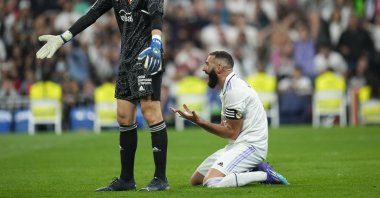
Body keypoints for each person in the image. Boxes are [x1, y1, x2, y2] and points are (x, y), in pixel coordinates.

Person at [36, 0, 169, 192]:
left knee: (150, 112)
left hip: (148, 56)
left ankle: (160, 178)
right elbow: (91, 15)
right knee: (123, 117)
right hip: (126, 59)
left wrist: (156, 43)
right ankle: (126, 180)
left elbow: (157, 16)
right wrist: (62, 38)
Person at [171, 51, 288, 188]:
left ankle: (264, 174)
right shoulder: (227, 88)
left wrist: (200, 122)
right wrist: (198, 121)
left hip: (251, 147)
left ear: (219, 68)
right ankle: (249, 169)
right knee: (196, 180)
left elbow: (232, 132)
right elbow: (225, 127)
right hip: (237, 145)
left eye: (207, 64)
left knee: (211, 182)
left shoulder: (234, 91)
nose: (203, 69)